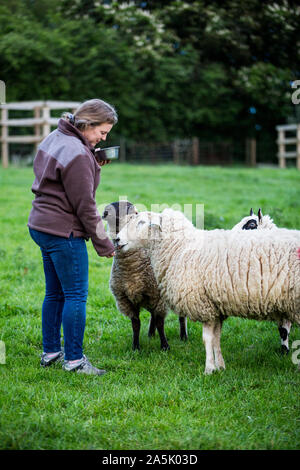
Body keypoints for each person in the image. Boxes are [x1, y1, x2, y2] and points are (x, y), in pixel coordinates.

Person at [28, 98, 117, 376]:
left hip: (41, 225)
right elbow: (85, 205)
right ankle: (75, 361)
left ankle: (51, 352)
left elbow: (61, 178)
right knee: (76, 295)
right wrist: (104, 243)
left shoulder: (58, 135)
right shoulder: (78, 153)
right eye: (101, 133)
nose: (102, 138)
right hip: (63, 231)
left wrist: (93, 159)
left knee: (54, 293)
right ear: (87, 124)